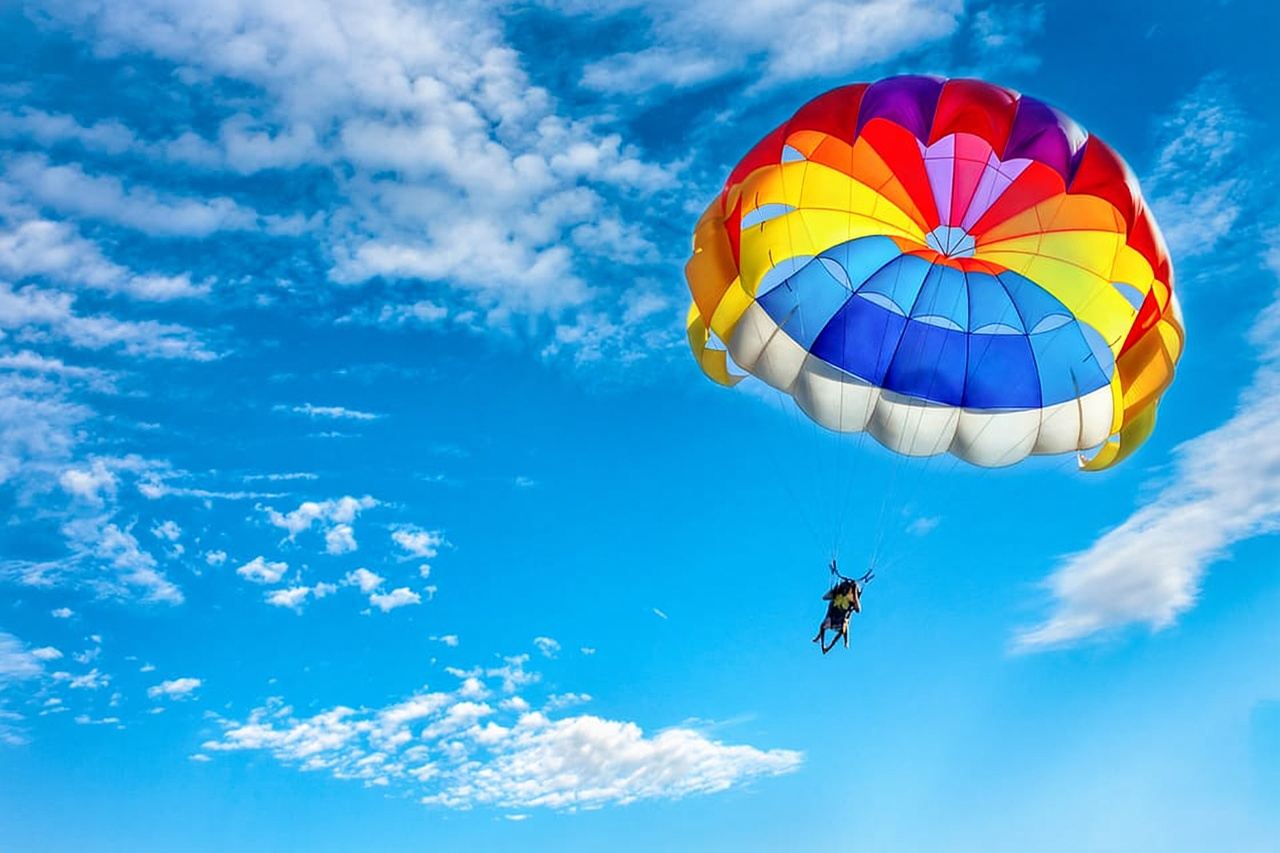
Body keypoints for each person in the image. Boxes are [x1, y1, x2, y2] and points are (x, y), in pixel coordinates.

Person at [811, 561, 863, 654]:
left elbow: (858, 609)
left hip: (840, 619)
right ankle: (822, 644)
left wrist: (854, 591)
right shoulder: (837, 593)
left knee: (844, 627)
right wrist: (833, 590)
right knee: (823, 626)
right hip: (832, 616)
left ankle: (832, 646)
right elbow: (824, 597)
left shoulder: (852, 601)